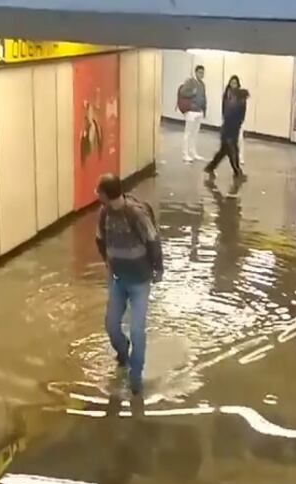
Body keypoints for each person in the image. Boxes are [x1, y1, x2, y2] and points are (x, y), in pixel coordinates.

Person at [94, 174, 163, 395]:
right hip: (117, 279)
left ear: (106, 194)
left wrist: (158, 269)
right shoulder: (104, 213)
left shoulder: (136, 214)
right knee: (112, 326)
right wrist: (108, 262)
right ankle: (122, 354)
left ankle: (135, 377)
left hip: (140, 280)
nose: (96, 195)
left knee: (136, 330)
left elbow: (153, 240)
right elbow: (100, 239)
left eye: (99, 192)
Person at [205, 75, 249, 178]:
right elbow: (224, 111)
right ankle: (236, 170)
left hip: (234, 126)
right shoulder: (227, 95)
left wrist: (239, 123)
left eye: (235, 83)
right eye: (231, 83)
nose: (233, 85)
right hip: (227, 126)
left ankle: (211, 167)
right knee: (230, 149)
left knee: (226, 149)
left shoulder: (241, 97)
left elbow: (242, 112)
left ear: (238, 85)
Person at [177, 65, 207, 163]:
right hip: (191, 111)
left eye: (202, 73)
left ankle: (193, 153)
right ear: (196, 72)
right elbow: (182, 92)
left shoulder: (202, 84)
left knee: (195, 133)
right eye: (199, 72)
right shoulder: (190, 82)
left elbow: (203, 97)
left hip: (199, 111)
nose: (201, 74)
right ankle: (185, 154)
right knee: (188, 133)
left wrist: (204, 109)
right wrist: (192, 93)